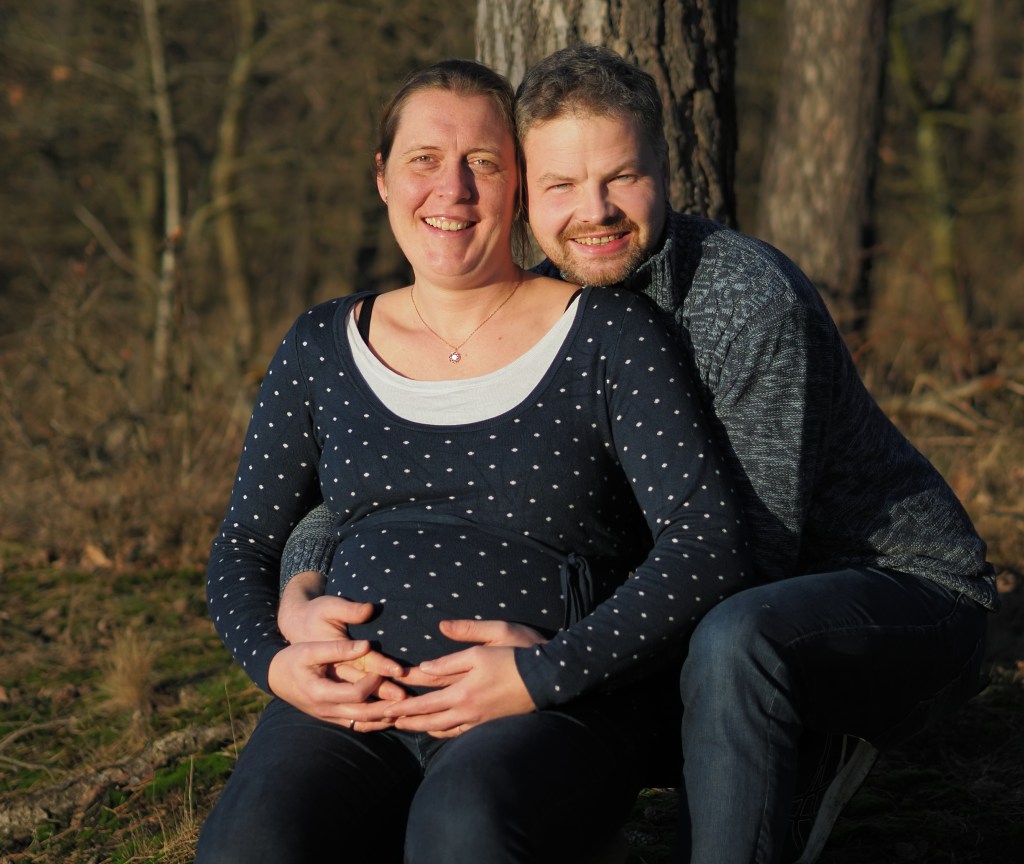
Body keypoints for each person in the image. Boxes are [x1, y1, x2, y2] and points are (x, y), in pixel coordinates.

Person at [277, 46, 998, 864]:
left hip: (888, 589)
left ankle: (779, 778)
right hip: (710, 611)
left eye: (622, 176)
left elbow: (751, 556)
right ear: (523, 193)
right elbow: (374, 483)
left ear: (665, 169)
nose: (596, 212)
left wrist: (556, 652)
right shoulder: (543, 314)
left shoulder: (744, 304)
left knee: (736, 640)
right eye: (560, 184)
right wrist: (306, 579)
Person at [197, 58, 751, 864]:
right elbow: (244, 545)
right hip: (351, 709)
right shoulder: (321, 345)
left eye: (483, 164)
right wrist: (277, 664)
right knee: (250, 845)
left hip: (547, 710)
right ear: (383, 177)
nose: (451, 190)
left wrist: (549, 672)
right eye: (424, 159)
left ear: (518, 187)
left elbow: (708, 544)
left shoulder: (608, 334)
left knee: (464, 830)